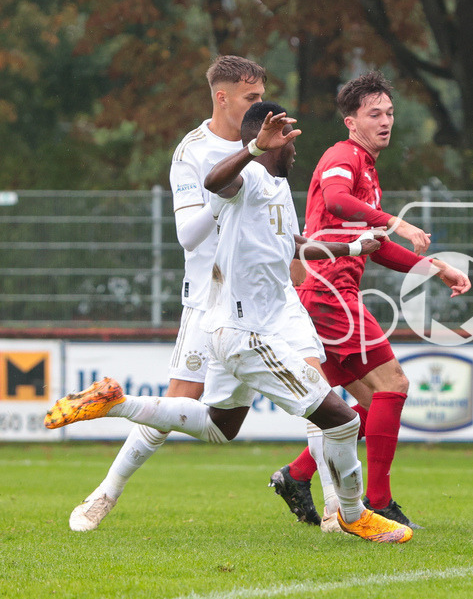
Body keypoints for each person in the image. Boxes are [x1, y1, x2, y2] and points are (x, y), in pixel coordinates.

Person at [46, 102, 413, 544]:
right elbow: (215, 182)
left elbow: (292, 244)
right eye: (288, 140)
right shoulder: (250, 176)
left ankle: (115, 403)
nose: (295, 148)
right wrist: (255, 148)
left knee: (220, 427)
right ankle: (353, 513)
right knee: (340, 419)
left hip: (262, 319)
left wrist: (354, 248)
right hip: (246, 332)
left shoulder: (277, 185)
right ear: (268, 140)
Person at [67, 55, 269, 532]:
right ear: (222, 97)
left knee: (312, 389)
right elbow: (186, 236)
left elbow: (274, 221)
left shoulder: (266, 144)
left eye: (261, 95)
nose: (262, 106)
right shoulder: (193, 152)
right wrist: (225, 191)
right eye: (251, 98)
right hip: (209, 299)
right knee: (174, 407)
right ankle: (104, 494)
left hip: (264, 300)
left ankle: (336, 510)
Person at [283, 70, 471, 530]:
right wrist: (399, 221)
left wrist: (436, 268)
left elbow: (376, 244)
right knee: (395, 386)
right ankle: (379, 502)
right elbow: (338, 200)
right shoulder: (342, 156)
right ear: (351, 121)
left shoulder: (366, 166)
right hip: (328, 295)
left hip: (330, 296)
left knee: (360, 409)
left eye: (389, 113)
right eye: (374, 114)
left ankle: (295, 475)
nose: (386, 121)